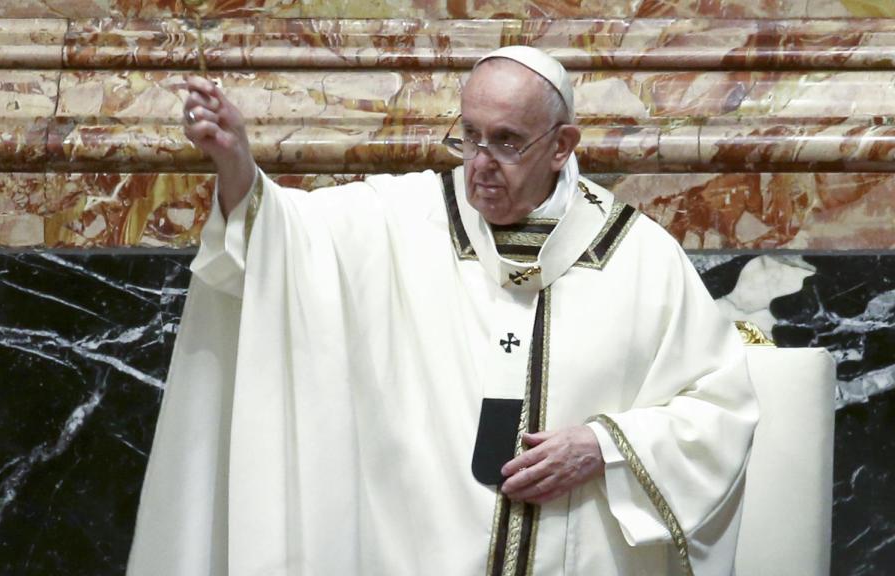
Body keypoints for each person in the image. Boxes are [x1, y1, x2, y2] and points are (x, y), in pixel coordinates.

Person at [128, 46, 758, 576]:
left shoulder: (637, 255)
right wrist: (237, 160)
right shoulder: (406, 218)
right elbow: (282, 239)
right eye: (469, 136)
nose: (479, 164)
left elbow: (720, 408)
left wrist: (604, 446)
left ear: (562, 145)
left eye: (506, 142)